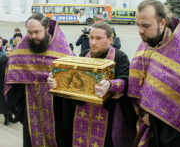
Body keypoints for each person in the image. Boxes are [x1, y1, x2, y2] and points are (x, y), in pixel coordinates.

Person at [48, 22, 137, 147]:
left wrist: (110, 85)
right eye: (91, 38)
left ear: (110, 39)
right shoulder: (84, 54)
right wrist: (56, 81)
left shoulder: (120, 56)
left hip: (107, 115)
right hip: (82, 112)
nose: (93, 42)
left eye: (99, 38)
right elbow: (72, 78)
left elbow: (125, 80)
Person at [4, 13, 73, 147]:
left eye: (37, 32)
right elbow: (12, 75)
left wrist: (59, 84)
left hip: (57, 110)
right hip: (31, 109)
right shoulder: (21, 50)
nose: (32, 36)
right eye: (29, 32)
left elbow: (72, 80)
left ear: (47, 28)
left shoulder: (62, 50)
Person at [128, 0, 180, 147]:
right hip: (146, 121)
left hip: (173, 134)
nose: (140, 30)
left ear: (162, 23)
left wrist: (153, 118)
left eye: (146, 26)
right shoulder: (149, 40)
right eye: (138, 25)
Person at [0, 44, 13, 126]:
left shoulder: (15, 60)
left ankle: (10, 115)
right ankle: (6, 117)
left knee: (11, 101)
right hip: (3, 84)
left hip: (12, 85)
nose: (8, 52)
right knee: (4, 102)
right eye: (7, 51)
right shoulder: (1, 60)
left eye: (10, 51)